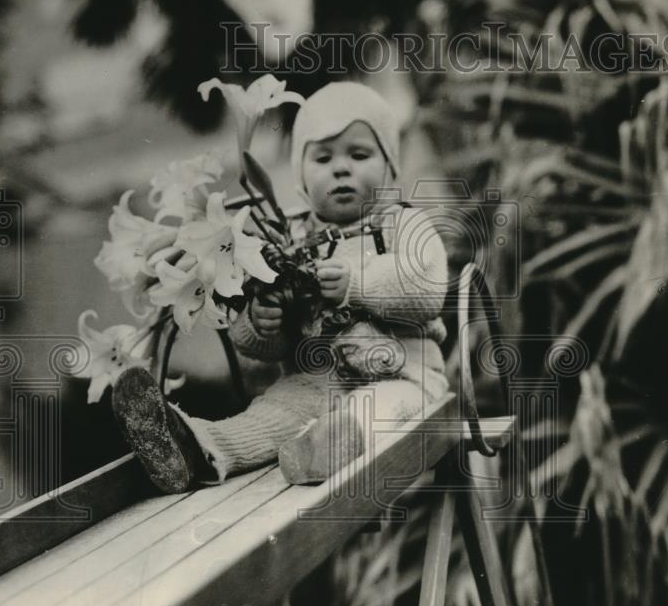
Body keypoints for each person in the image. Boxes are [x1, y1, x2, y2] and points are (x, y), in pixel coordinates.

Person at [112, 81, 450, 492]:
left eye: (359, 154)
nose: (341, 168)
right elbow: (258, 348)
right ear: (301, 178)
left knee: (378, 408)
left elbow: (428, 287)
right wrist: (260, 322)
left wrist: (355, 284)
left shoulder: (402, 223)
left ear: (390, 168)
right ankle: (199, 450)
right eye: (323, 158)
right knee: (271, 412)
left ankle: (331, 444)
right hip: (316, 381)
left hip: (405, 376)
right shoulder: (286, 238)